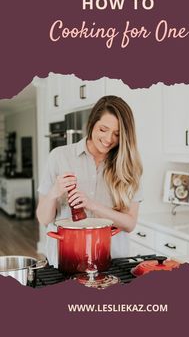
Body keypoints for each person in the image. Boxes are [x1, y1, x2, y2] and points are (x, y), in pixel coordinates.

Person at [36, 95, 143, 267]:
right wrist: (54, 193)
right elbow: (43, 218)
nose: (109, 139)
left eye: (117, 134)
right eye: (103, 129)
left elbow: (129, 224)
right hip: (66, 260)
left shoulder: (129, 166)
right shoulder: (59, 156)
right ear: (92, 123)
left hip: (112, 261)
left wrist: (92, 205)